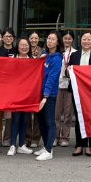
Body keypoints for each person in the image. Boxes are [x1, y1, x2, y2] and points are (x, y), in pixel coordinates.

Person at [67, 31, 91, 157]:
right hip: (76, 91)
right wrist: (68, 71)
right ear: (80, 40)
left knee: (89, 118)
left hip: (90, 92)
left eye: (88, 39)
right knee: (78, 118)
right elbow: (68, 72)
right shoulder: (74, 55)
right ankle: (79, 146)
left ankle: (88, 146)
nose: (86, 41)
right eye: (84, 39)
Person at [34, 30, 63, 161]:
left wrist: (45, 97)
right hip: (39, 93)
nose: (49, 41)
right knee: (41, 121)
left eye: (53, 39)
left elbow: (51, 78)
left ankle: (49, 150)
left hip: (49, 95)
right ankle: (46, 145)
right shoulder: (46, 55)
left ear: (58, 42)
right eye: (48, 38)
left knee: (50, 122)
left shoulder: (57, 59)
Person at [7, 37, 35, 156]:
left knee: (25, 120)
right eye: (22, 45)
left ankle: (22, 145)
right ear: (17, 47)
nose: (24, 47)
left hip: (28, 94)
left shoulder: (34, 61)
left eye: (26, 45)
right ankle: (13, 145)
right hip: (15, 94)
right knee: (15, 119)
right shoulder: (12, 60)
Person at [54, 30, 76, 148]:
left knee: (68, 114)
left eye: (69, 38)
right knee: (56, 114)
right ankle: (55, 136)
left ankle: (65, 137)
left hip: (69, 86)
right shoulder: (56, 52)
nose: (67, 40)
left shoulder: (75, 53)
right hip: (57, 85)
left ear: (72, 39)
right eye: (65, 38)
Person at [25, 31, 44, 148]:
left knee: (38, 114)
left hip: (39, 85)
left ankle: (35, 139)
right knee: (26, 114)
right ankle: (27, 138)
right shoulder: (24, 50)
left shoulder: (43, 52)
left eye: (36, 38)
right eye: (31, 38)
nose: (33, 40)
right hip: (26, 86)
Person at [1, 27, 17, 147]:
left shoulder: (17, 51)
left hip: (13, 86)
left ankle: (7, 138)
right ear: (2, 38)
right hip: (0, 86)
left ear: (13, 38)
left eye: (10, 36)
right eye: (6, 36)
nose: (8, 38)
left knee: (9, 116)